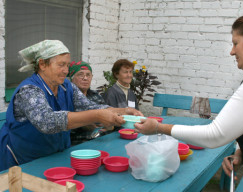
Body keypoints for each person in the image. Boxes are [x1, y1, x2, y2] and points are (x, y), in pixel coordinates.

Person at [134, 13, 243, 192]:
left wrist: (158, 128)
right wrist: (242, 152)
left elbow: (215, 134)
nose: (232, 51)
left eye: (236, 43)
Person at [0, 40, 142, 172]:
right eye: (61, 65)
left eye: (67, 65)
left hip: (54, 156)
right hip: (23, 160)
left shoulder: (66, 86)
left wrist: (124, 111)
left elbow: (87, 106)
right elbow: (47, 122)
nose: (66, 70)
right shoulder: (29, 90)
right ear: (42, 64)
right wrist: (98, 115)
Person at [68, 61, 110, 145]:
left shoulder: (96, 96)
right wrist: (84, 123)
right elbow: (62, 125)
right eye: (80, 74)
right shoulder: (67, 97)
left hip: (101, 141)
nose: (85, 78)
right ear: (71, 78)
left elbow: (106, 115)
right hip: (78, 145)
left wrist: (109, 123)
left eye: (88, 75)